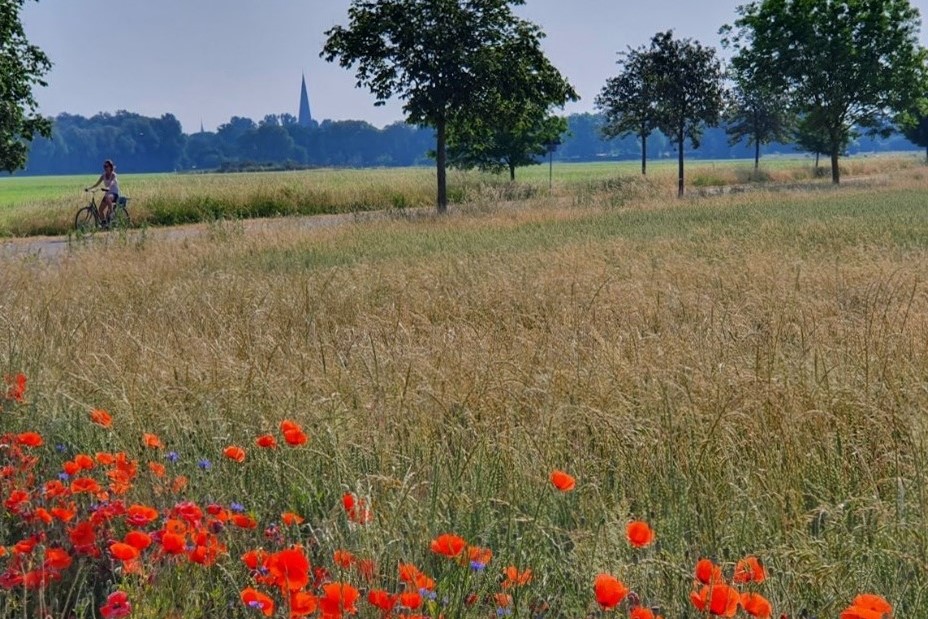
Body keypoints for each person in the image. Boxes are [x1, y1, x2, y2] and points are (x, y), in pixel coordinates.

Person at [84, 160, 120, 225]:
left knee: (108, 198)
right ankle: (104, 224)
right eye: (104, 166)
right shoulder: (103, 175)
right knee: (100, 210)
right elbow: (96, 184)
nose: (105, 168)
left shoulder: (113, 175)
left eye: (106, 166)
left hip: (114, 193)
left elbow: (112, 182)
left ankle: (112, 213)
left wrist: (108, 187)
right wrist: (89, 188)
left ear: (110, 167)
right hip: (107, 194)